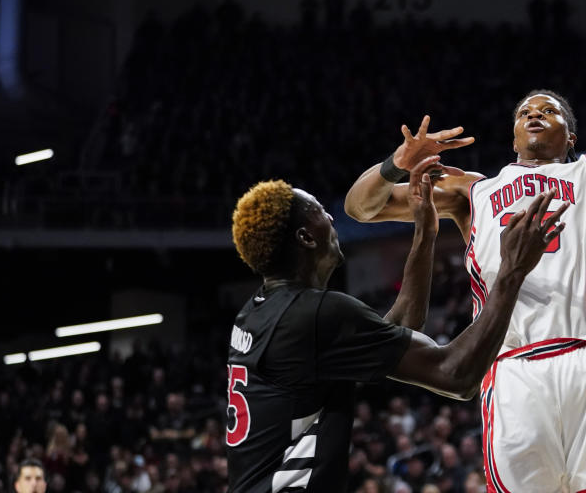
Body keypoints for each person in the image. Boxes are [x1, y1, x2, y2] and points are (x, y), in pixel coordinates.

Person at [346, 0, 586, 492]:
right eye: (525, 111)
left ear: (572, 133)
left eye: (550, 110)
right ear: (513, 133)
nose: (535, 113)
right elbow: (360, 207)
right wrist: (396, 162)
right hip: (511, 370)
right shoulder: (473, 192)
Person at [226, 159, 567, 493]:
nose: (330, 217)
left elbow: (402, 327)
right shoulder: (316, 314)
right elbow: (456, 375)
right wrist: (512, 271)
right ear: (306, 238)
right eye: (319, 212)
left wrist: (425, 232)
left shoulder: (259, 313)